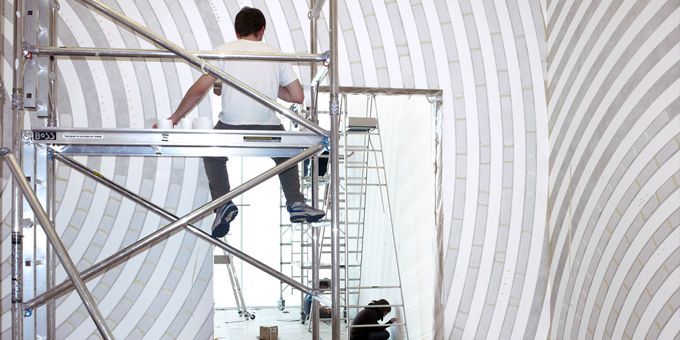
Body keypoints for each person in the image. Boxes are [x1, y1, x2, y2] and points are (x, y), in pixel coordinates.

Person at [164, 7, 325, 237]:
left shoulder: (224, 52)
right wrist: (267, 86)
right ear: (262, 31)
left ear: (237, 32)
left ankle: (223, 204)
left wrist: (174, 118)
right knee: (288, 152)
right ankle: (296, 203)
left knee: (211, 152)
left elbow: (199, 90)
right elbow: (297, 96)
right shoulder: (276, 55)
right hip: (268, 128)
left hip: (231, 127)